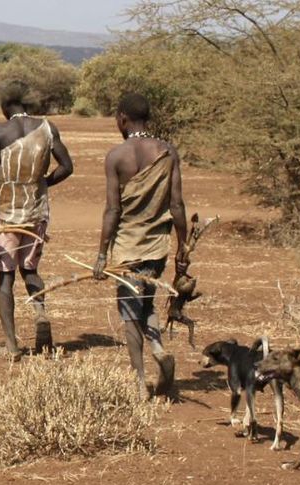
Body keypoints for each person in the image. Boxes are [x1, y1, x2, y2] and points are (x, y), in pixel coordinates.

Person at [93, 93, 188, 399]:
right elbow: (176, 205)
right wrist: (182, 246)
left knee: (129, 314)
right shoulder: (167, 152)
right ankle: (159, 349)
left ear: (122, 118)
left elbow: (113, 210)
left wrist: (101, 254)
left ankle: (139, 381)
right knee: (146, 302)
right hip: (157, 245)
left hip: (126, 248)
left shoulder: (117, 156)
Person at [0, 83, 74, 360]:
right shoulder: (47, 128)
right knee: (30, 269)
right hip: (37, 212)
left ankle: (12, 346)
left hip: (6, 214)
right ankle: (40, 313)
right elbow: (67, 167)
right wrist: (42, 184)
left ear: (5, 108)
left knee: (5, 279)